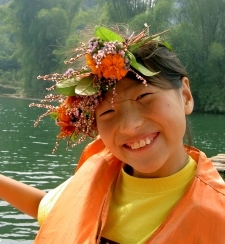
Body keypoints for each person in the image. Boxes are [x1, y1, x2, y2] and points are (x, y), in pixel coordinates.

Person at [0, 25, 225, 244]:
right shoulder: (101, 175)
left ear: (185, 95)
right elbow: (55, 213)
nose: (129, 126)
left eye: (144, 98)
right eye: (108, 111)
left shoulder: (217, 215)